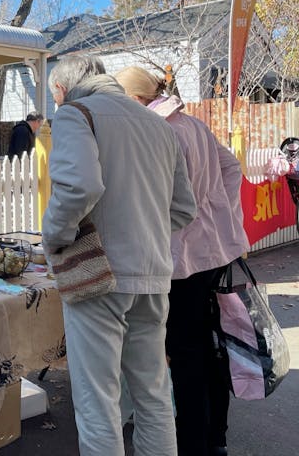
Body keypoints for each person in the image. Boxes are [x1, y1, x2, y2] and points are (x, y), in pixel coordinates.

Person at [42, 55, 196, 456]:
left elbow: (79, 188)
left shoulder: (75, 114)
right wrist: (143, 226)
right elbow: (183, 209)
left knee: (98, 403)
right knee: (153, 394)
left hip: (100, 276)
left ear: (60, 91)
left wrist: (54, 239)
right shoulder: (157, 125)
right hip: (153, 274)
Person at [115, 66, 248, 456]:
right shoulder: (192, 124)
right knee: (210, 347)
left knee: (185, 352)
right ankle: (215, 437)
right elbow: (231, 167)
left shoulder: (156, 131)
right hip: (213, 250)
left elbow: (155, 199)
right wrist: (223, 213)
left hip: (180, 259)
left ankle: (193, 443)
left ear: (135, 100)